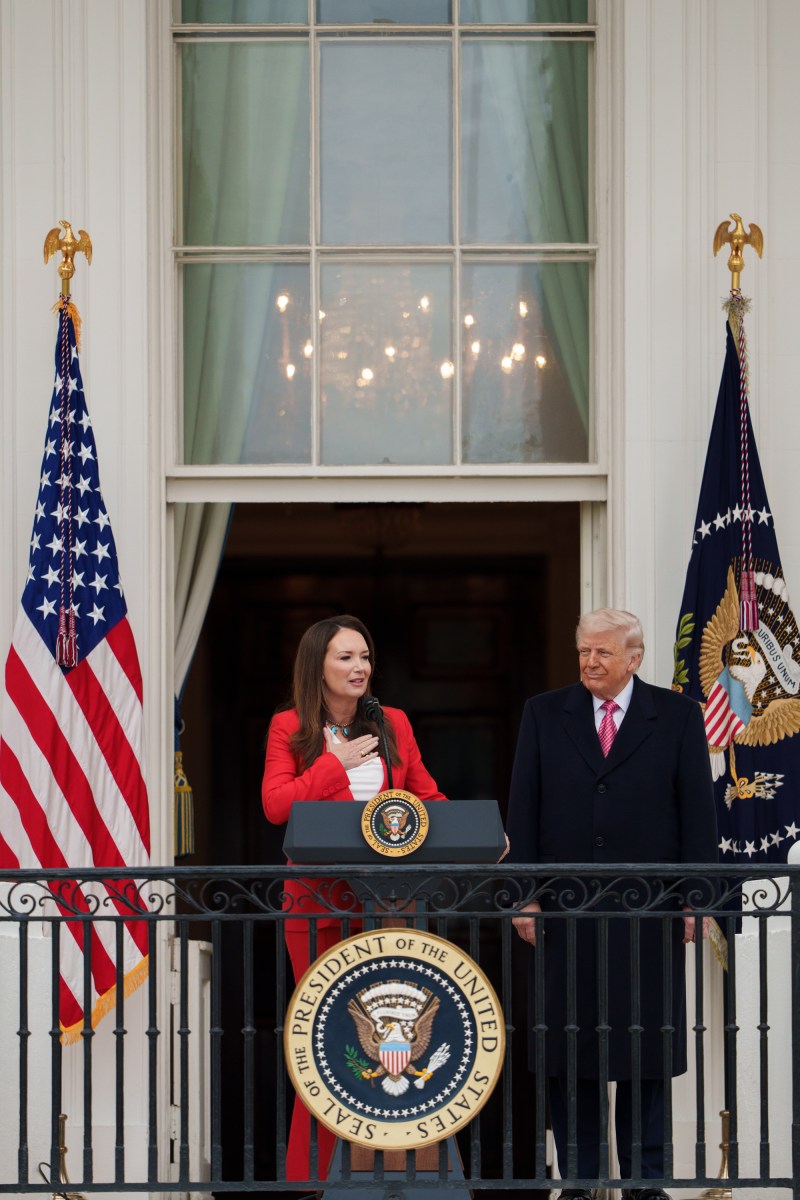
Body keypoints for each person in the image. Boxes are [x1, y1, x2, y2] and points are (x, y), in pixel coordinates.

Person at [505, 608, 718, 1200]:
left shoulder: (675, 716)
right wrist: (523, 895)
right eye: (583, 653)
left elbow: (699, 814)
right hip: (565, 913)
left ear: (634, 657)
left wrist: (697, 900)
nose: (590, 663)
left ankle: (645, 1184)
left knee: (645, 1055)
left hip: (647, 913)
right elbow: (522, 808)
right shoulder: (545, 713)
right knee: (571, 1053)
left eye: (602, 653)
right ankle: (578, 1182)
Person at [262, 613, 447, 1182]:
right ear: (317, 666)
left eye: (364, 656)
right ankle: (317, 1176)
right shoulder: (289, 726)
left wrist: (473, 827)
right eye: (345, 657)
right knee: (327, 1036)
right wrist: (330, 764)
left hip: (390, 906)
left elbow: (425, 795)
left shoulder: (392, 722)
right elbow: (276, 805)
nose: (359, 667)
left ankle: (394, 1171)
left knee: (396, 1033)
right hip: (317, 907)